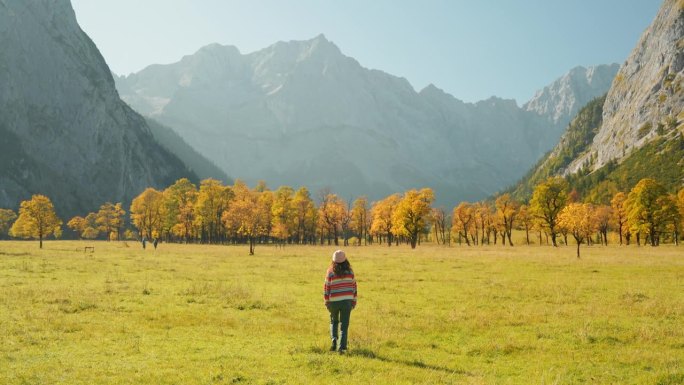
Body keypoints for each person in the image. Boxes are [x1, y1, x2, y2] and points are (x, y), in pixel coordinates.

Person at [323, 250, 357, 353]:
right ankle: (342, 348)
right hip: (347, 301)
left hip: (333, 301)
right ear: (345, 260)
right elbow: (354, 287)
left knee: (334, 321)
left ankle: (334, 340)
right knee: (344, 325)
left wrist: (326, 301)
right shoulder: (350, 272)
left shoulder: (330, 272)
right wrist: (354, 300)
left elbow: (326, 287)